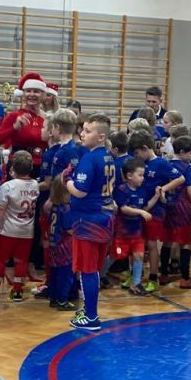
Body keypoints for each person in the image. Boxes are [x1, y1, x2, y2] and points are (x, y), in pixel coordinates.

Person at [66, 114, 117, 331]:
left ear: (101, 136)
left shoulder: (89, 158)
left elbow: (79, 191)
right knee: (94, 269)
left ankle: (91, 316)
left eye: (87, 131)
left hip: (88, 220)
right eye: (82, 130)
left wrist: (67, 181)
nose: (82, 134)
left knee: (87, 270)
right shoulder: (108, 157)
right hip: (105, 217)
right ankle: (89, 311)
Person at [129, 130, 185, 293]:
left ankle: (153, 277)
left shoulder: (161, 163)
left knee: (152, 243)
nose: (136, 156)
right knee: (136, 242)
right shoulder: (140, 164)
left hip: (156, 210)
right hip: (139, 208)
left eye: (137, 153)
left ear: (145, 148)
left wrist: (163, 189)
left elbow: (180, 178)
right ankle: (135, 276)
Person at [0, 151, 39, 301]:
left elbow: (0, 210)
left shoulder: (7, 186)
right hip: (27, 231)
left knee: (0, 260)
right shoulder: (35, 185)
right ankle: (18, 291)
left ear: (13, 169)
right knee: (21, 261)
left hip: (8, 230)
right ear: (30, 168)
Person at [114, 158, 158, 296]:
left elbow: (145, 207)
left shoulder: (142, 190)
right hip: (122, 233)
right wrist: (141, 212)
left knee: (139, 255)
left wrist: (156, 196)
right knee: (115, 256)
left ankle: (136, 284)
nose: (142, 178)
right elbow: (123, 209)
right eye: (140, 175)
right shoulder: (121, 190)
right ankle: (100, 275)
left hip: (137, 232)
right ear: (129, 175)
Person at [167, 136, 191, 288]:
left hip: (167, 206)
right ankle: (185, 278)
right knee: (185, 243)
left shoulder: (167, 164)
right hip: (182, 207)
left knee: (168, 240)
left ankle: (163, 274)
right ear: (181, 152)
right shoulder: (186, 168)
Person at [42, 178, 75, 308]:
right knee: (65, 274)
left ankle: (54, 297)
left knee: (55, 272)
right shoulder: (66, 209)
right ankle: (62, 300)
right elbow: (70, 229)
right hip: (64, 245)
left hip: (53, 243)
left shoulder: (54, 206)